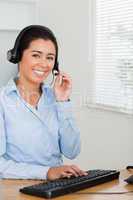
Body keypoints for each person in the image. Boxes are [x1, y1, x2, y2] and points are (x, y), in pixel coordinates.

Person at [0, 25, 87, 180]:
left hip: (55, 187)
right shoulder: (3, 101)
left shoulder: (55, 98)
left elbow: (72, 151)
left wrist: (63, 101)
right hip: (15, 189)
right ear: (18, 55)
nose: (44, 64)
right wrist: (46, 172)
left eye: (50, 57)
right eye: (36, 55)